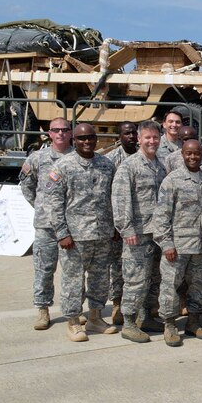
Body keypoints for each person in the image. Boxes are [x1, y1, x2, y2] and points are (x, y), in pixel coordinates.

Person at [48, 123, 118, 342]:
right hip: (75, 238)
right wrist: (62, 233)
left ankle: (96, 318)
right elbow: (55, 203)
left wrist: (115, 226)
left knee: (100, 279)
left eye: (90, 138)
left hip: (102, 234)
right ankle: (73, 322)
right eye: (81, 138)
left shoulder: (106, 165)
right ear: (74, 140)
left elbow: (114, 198)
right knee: (73, 281)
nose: (87, 142)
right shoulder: (63, 166)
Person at [112, 120, 168, 343]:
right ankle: (129, 322)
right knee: (135, 279)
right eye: (148, 137)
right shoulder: (129, 166)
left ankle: (146, 317)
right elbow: (120, 199)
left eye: (155, 137)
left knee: (153, 278)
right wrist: (126, 229)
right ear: (139, 138)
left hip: (158, 233)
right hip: (138, 233)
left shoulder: (160, 165)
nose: (152, 141)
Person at [152, 139, 202, 347]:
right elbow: (161, 216)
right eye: (189, 153)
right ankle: (169, 324)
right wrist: (166, 243)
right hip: (177, 247)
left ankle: (194, 321)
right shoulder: (172, 181)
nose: (193, 157)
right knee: (170, 285)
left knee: (199, 284)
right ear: (182, 155)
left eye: (197, 153)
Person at [20, 117, 74, 331]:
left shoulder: (77, 157)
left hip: (71, 225)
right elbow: (26, 185)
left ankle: (73, 310)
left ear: (70, 133)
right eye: (56, 130)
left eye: (64, 130)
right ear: (49, 134)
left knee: (72, 272)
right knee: (44, 268)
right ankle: (42, 310)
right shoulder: (38, 158)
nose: (60, 133)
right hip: (45, 226)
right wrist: (41, 207)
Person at [104, 121, 138, 325]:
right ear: (120, 136)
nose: (131, 137)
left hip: (141, 224)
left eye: (134, 132)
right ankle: (117, 303)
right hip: (119, 226)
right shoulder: (111, 161)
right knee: (117, 267)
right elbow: (109, 195)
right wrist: (117, 224)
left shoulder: (147, 157)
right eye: (127, 133)